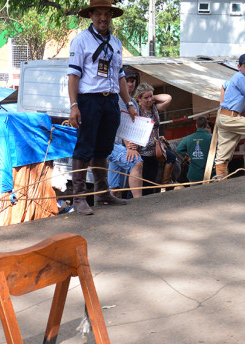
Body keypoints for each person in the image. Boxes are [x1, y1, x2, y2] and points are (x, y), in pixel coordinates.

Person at [67, 0, 136, 215]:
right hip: (89, 100)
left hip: (110, 101)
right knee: (84, 147)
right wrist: (74, 106)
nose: (103, 18)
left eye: (107, 14)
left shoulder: (116, 43)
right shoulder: (81, 41)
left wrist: (130, 103)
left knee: (104, 147)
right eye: (99, 14)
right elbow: (73, 76)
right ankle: (79, 197)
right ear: (91, 15)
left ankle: (103, 192)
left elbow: (121, 76)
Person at [106, 66, 144, 198]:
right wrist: (130, 147)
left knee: (116, 187)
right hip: (112, 144)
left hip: (122, 145)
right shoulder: (115, 99)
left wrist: (134, 145)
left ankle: (110, 211)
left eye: (132, 81)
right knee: (136, 162)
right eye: (127, 80)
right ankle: (140, 204)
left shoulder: (133, 102)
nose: (130, 83)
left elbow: (135, 128)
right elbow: (121, 124)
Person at [134, 82, 175, 195]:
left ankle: (165, 183)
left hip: (155, 150)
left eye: (151, 96)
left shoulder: (154, 108)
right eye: (145, 98)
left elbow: (168, 98)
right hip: (142, 151)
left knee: (151, 183)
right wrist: (141, 99)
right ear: (139, 99)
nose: (149, 100)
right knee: (141, 183)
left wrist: (151, 97)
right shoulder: (136, 109)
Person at [175, 116, 214, 182]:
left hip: (194, 175)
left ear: (196, 125)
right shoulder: (212, 138)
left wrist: (187, 157)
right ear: (205, 125)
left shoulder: (188, 138)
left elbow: (178, 149)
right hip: (209, 174)